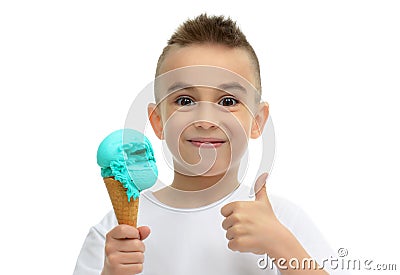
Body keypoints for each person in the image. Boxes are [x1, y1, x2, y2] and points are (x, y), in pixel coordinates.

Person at [74, 14, 345, 275]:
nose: (205, 120)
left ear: (257, 121)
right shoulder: (112, 235)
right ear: (157, 121)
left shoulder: (283, 221)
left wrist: (282, 246)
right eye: (185, 101)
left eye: (228, 102)